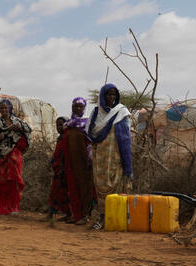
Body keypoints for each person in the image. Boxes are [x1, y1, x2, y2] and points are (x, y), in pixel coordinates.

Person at [86, 84, 133, 227]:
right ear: (102, 96)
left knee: (115, 188)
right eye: (108, 95)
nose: (111, 98)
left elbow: (125, 140)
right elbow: (90, 135)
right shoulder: (95, 113)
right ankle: (102, 217)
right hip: (99, 160)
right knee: (100, 188)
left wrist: (127, 165)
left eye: (114, 95)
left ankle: (114, 219)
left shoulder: (121, 113)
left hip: (115, 160)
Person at [48, 98, 95, 224]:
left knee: (85, 188)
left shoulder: (87, 125)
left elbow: (91, 144)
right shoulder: (67, 125)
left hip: (83, 163)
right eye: (76, 106)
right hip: (69, 162)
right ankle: (75, 215)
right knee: (72, 188)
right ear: (72, 107)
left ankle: (85, 215)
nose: (78, 109)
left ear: (84, 108)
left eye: (80, 107)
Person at [0, 98, 31, 215]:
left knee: (14, 181)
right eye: (1, 108)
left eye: (6, 108)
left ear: (10, 108)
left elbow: (28, 130)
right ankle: (1, 208)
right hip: (0, 156)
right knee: (1, 181)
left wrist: (19, 128)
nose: (4, 110)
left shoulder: (17, 122)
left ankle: (14, 208)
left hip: (14, 156)